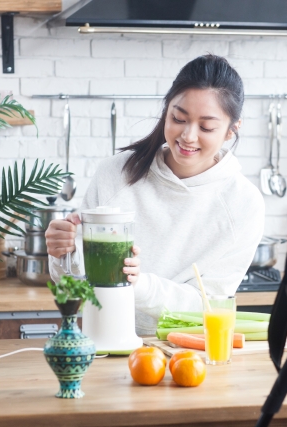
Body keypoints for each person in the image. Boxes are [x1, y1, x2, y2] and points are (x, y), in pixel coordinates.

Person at [45, 55, 265, 335]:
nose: (188, 135)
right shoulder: (116, 174)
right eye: (178, 118)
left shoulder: (244, 204)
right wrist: (61, 252)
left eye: (206, 127)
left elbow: (208, 305)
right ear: (166, 111)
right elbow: (72, 283)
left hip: (189, 352)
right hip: (104, 340)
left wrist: (140, 284)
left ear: (232, 130)